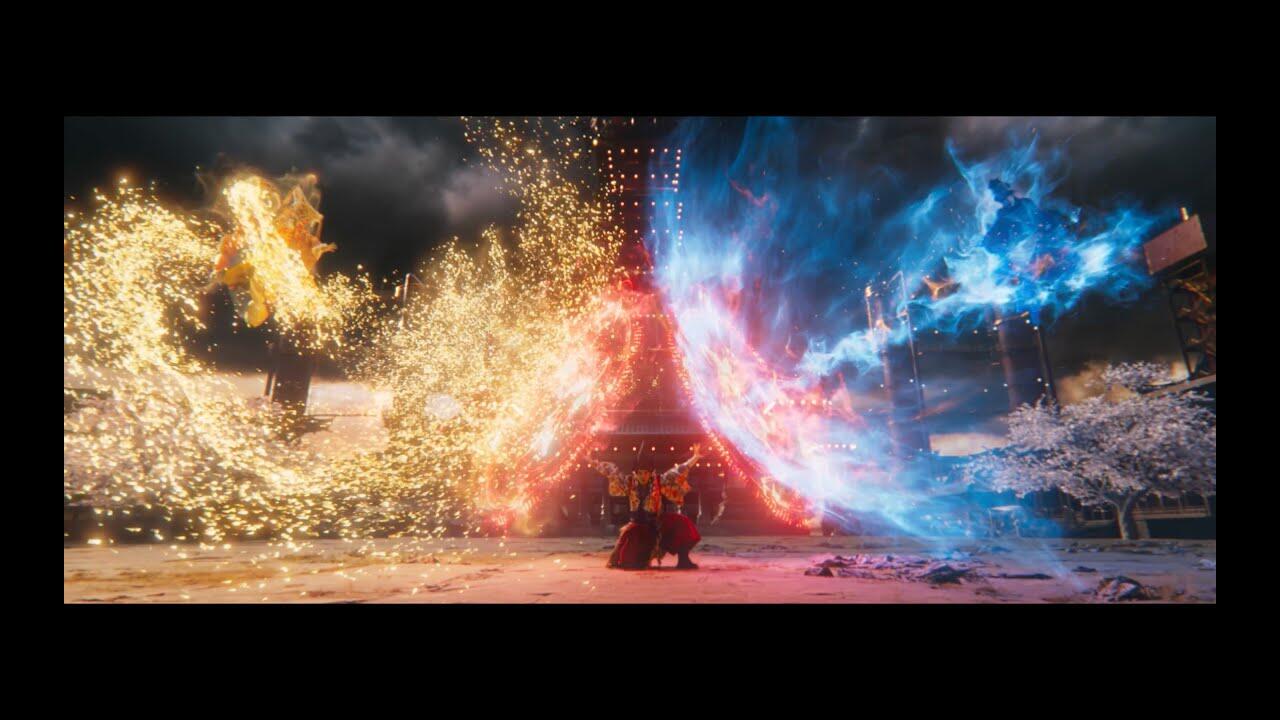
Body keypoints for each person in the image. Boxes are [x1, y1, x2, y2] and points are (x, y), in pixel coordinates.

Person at [588, 444, 704, 570]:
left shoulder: (659, 481)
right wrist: (591, 460)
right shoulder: (629, 482)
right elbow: (611, 472)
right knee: (630, 562)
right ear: (635, 472)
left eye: (646, 473)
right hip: (637, 526)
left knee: (681, 523)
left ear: (651, 472)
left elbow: (678, 471)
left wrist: (695, 457)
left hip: (657, 523)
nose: (643, 476)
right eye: (640, 473)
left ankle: (684, 560)